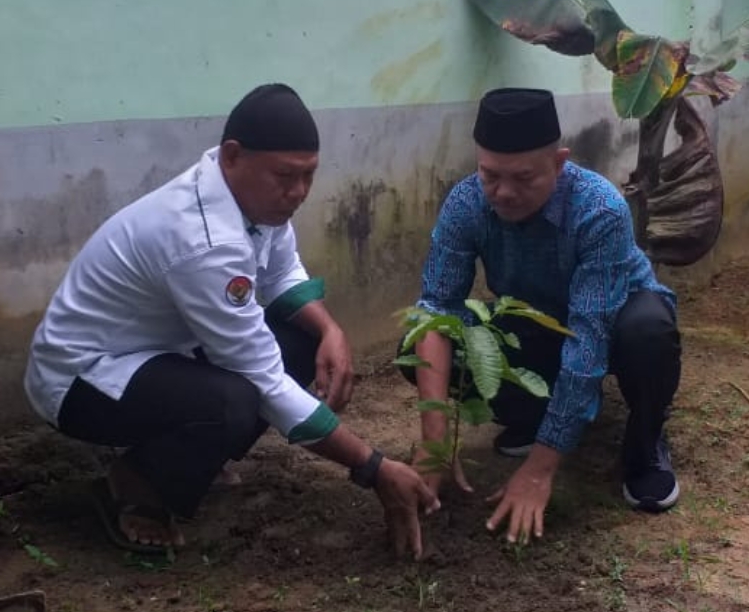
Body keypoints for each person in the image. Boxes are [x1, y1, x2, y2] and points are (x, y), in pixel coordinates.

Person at [24, 83, 439, 558]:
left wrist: (331, 330)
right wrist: (374, 468)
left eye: (308, 176)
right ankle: (137, 485)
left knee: (301, 343)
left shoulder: (250, 197)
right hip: (81, 380)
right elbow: (261, 378)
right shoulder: (204, 239)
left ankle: (188, 459)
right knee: (234, 400)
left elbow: (282, 270)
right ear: (233, 155)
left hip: (157, 352)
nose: (298, 192)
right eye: (285, 176)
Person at [401, 87, 681, 545]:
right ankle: (534, 416)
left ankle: (645, 445)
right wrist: (433, 440)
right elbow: (436, 309)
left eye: (523, 178)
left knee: (648, 330)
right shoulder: (466, 203)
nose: (503, 193)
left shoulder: (600, 209)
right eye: (490, 175)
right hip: (536, 322)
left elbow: (590, 337)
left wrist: (539, 470)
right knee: (422, 344)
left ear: (559, 162)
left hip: (615, 322)